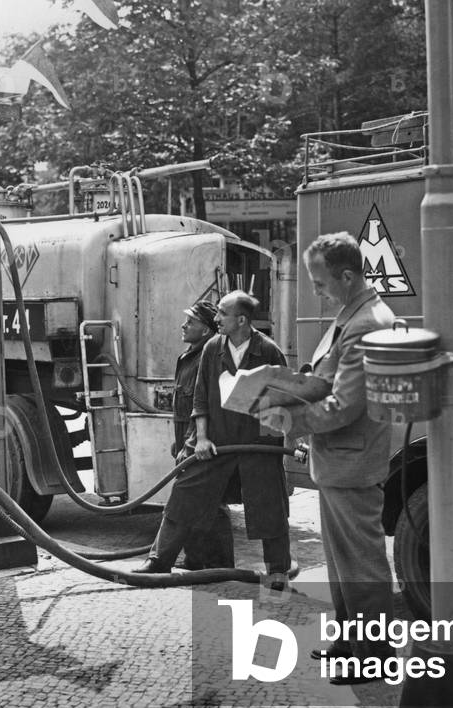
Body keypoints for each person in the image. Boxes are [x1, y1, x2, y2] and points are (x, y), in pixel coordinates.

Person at [263, 232, 396, 684]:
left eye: (319, 283)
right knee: (341, 559)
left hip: (352, 457)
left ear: (345, 275)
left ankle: (375, 655)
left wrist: (290, 418)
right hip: (341, 458)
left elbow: (346, 405)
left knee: (361, 561)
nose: (316, 292)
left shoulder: (366, 323)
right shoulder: (353, 313)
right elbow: (332, 377)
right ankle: (351, 641)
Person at [135, 290, 291, 579]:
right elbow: (201, 398)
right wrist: (202, 439)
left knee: (269, 507)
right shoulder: (212, 349)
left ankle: (278, 572)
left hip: (257, 446)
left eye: (222, 313)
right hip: (215, 442)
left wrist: (274, 443)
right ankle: (159, 560)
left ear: (241, 320)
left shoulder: (268, 351)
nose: (216, 318)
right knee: (184, 494)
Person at [172, 300, 234, 570]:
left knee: (210, 501)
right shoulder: (188, 356)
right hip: (187, 440)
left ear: (207, 331)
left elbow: (203, 405)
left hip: (200, 442)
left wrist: (196, 440)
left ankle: (219, 564)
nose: (184, 325)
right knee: (195, 502)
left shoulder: (205, 361)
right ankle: (198, 560)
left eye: (191, 322)